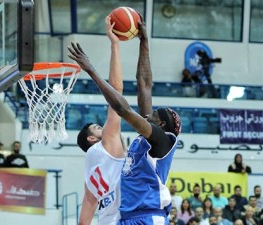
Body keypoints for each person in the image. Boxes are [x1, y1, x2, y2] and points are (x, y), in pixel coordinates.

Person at [68, 17, 182, 225]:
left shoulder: (162, 141)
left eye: (154, 114)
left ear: (162, 125)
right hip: (127, 217)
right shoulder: (147, 138)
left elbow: (122, 108)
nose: (148, 113)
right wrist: (144, 43)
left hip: (148, 216)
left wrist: (91, 70)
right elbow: (144, 84)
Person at [77, 16, 126, 225]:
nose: (103, 127)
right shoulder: (107, 143)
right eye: (97, 127)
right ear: (90, 139)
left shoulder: (90, 168)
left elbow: (88, 204)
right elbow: (116, 93)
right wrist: (115, 45)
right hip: (126, 219)